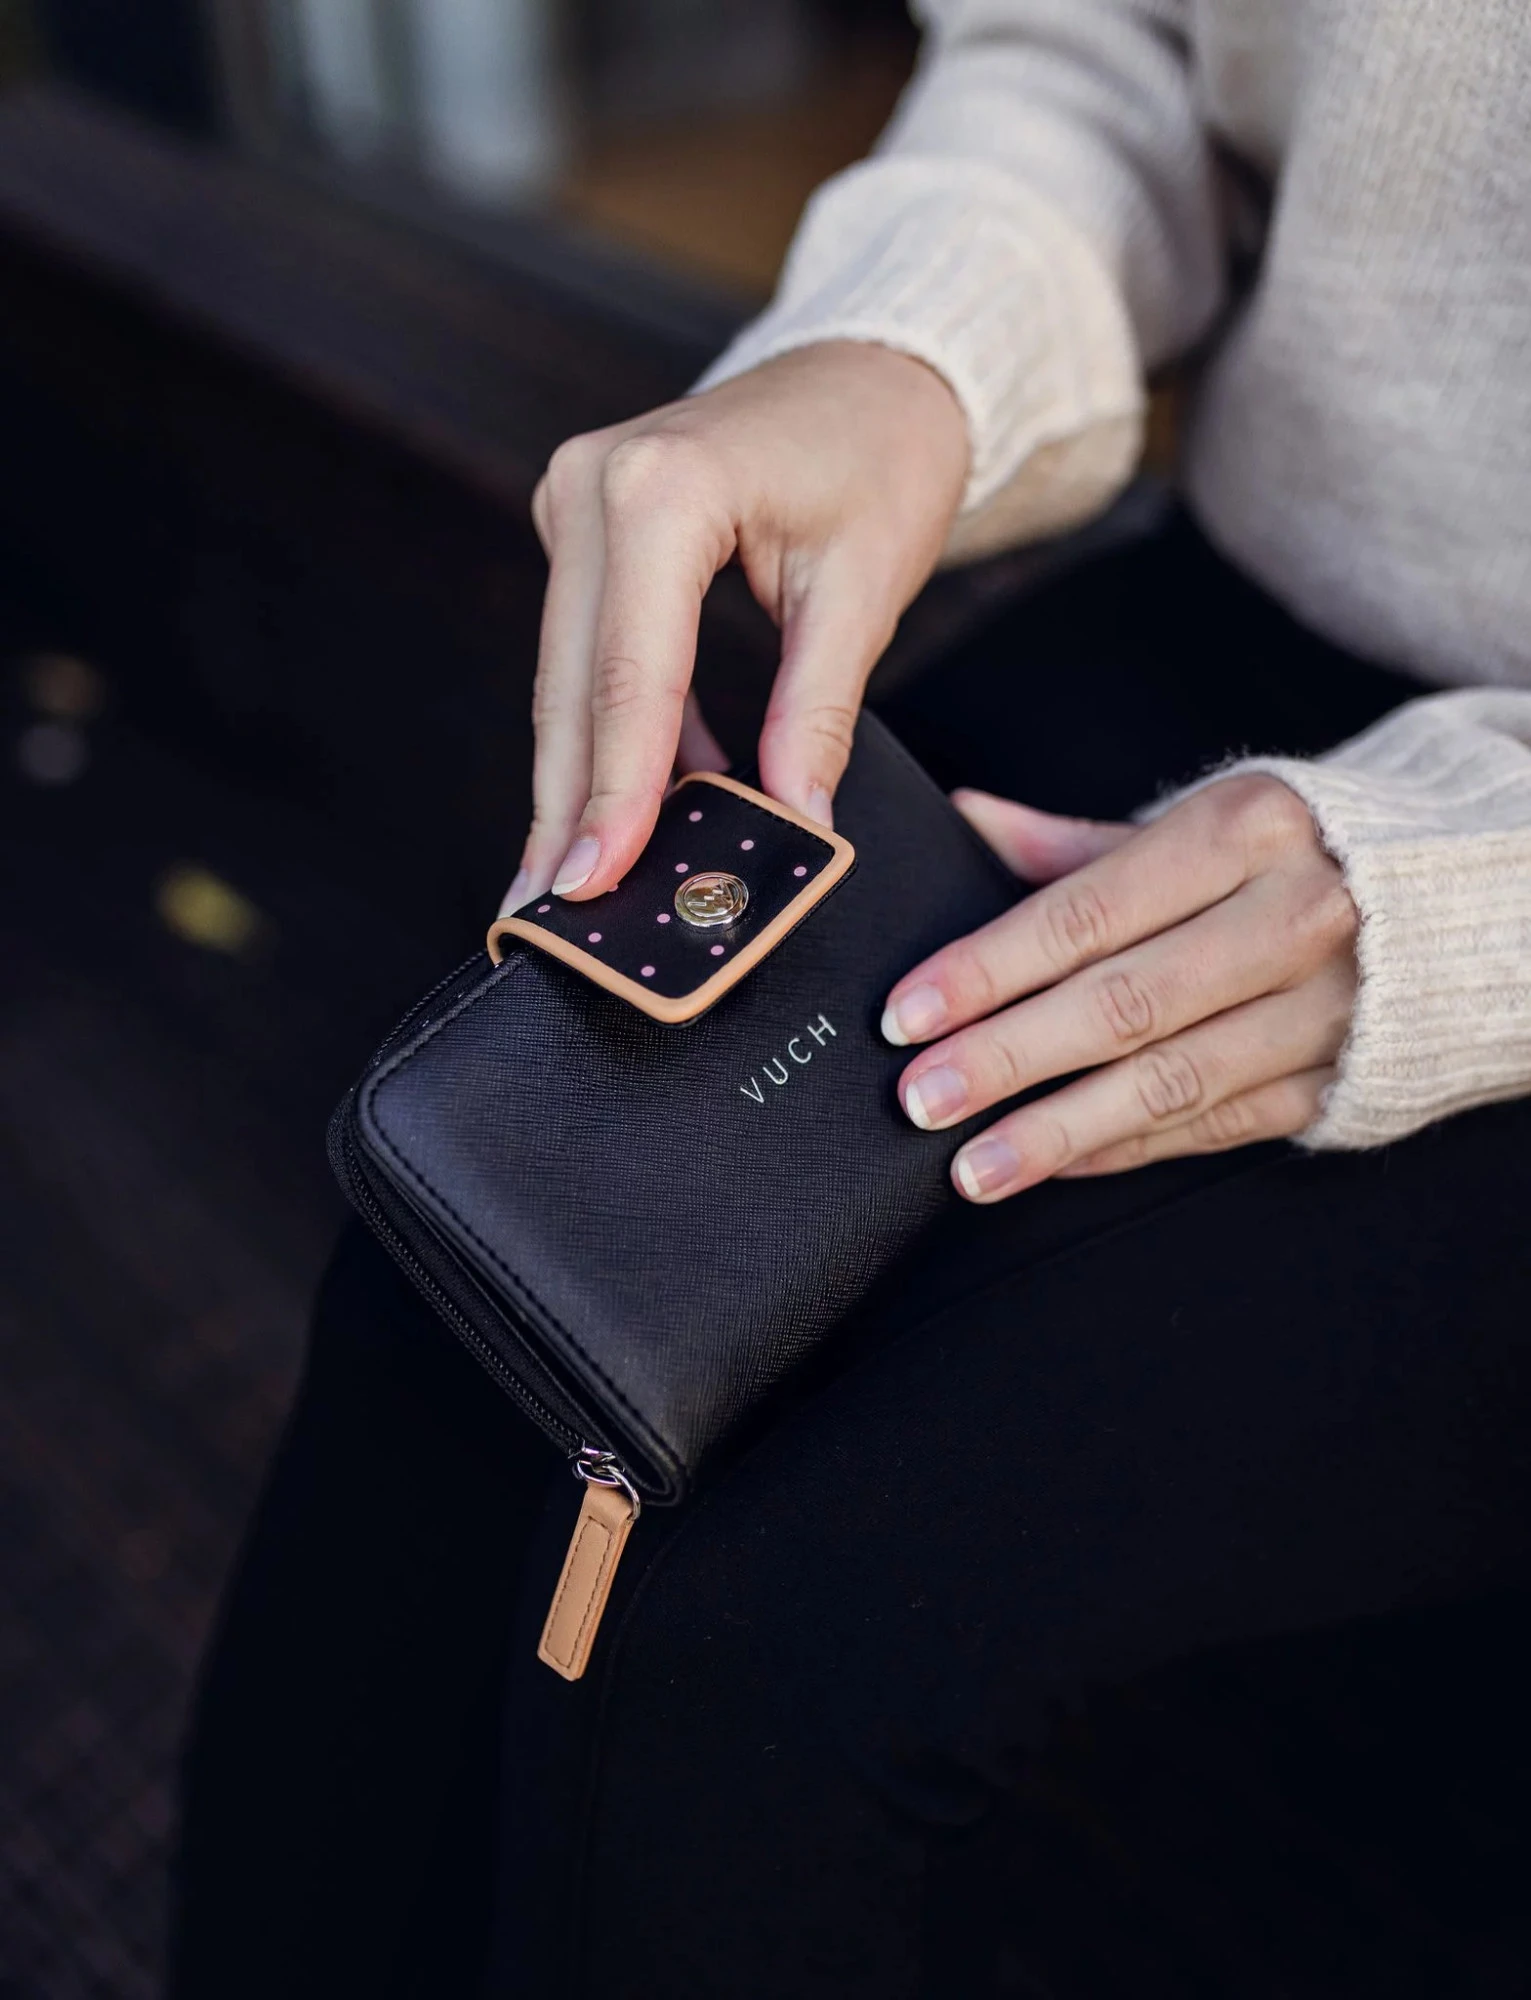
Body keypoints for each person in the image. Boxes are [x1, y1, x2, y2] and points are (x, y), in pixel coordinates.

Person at [173, 4, 1531, 1995]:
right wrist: (899, 347)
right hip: (1245, 617)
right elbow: (1114, 53)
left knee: (778, 1623)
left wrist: (1475, 910)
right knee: (460, 1296)